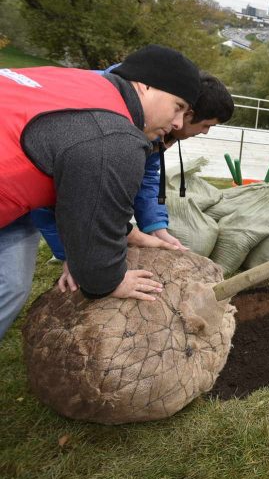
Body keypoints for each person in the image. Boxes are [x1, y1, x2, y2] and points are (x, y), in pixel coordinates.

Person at [0, 44, 202, 339]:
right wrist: (107, 280)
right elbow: (94, 223)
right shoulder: (113, 137)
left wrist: (135, 236)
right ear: (146, 86)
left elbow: (77, 202)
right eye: (178, 107)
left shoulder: (85, 84)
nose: (178, 123)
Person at [30, 71, 234, 290]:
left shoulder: (151, 124)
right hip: (23, 193)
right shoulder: (106, 131)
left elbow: (146, 175)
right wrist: (73, 254)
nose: (205, 133)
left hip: (35, 190)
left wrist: (155, 226)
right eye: (206, 125)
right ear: (185, 112)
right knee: (11, 283)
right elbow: (64, 197)